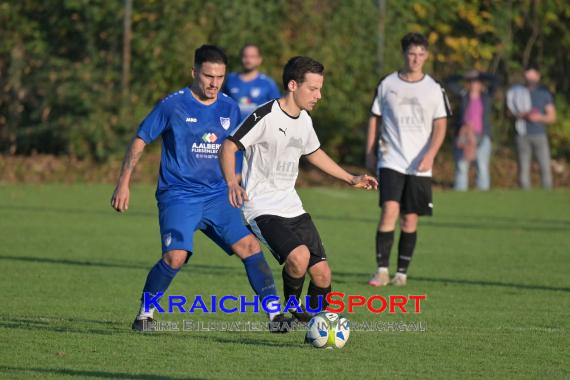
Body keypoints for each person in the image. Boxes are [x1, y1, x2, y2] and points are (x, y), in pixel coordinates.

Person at [111, 45, 291, 332]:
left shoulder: (229, 107)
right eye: (208, 76)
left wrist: (240, 180)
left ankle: (275, 318)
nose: (214, 83)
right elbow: (141, 139)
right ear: (194, 72)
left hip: (219, 195)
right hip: (179, 195)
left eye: (220, 77)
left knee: (250, 246)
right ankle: (145, 314)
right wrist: (123, 183)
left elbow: (237, 147)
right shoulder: (172, 105)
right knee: (175, 256)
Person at [219, 56, 377, 321]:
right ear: (293, 85)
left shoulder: (304, 119)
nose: (319, 95)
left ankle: (319, 324)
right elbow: (229, 145)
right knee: (300, 257)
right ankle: (294, 310)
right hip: (262, 206)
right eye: (313, 89)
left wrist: (350, 178)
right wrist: (232, 182)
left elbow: (314, 153)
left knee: (323, 273)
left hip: (291, 205)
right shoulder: (265, 115)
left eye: (320, 89)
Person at [365, 32, 451, 287]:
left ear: (426, 56)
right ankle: (381, 270)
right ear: (404, 54)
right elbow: (374, 117)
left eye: (421, 54)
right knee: (389, 210)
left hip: (419, 164)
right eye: (412, 54)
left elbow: (441, 124)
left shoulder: (434, 88)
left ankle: (401, 273)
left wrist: (431, 154)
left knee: (410, 218)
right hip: (391, 159)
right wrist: (370, 151)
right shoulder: (388, 83)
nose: (416, 59)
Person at [446, 70, 498, 191]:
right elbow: (449, 81)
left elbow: (496, 80)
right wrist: (464, 75)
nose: (474, 84)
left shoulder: (486, 96)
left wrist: (480, 74)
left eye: (477, 82)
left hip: (482, 135)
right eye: (471, 82)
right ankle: (460, 193)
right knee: (461, 166)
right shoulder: (463, 95)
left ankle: (483, 194)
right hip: (464, 135)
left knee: (482, 166)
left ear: (481, 84)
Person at [507, 65, 556, 189]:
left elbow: (552, 117)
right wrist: (520, 115)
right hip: (522, 134)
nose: (530, 78)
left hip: (539, 134)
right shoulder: (516, 92)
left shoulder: (544, 93)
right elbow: (508, 112)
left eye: (533, 75)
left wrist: (539, 117)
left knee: (545, 166)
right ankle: (525, 197)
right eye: (528, 75)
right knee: (523, 168)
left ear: (538, 76)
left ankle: (547, 193)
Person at [223, 44, 281, 122]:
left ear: (259, 60)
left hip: (258, 131)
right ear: (241, 58)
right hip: (233, 130)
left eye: (252, 57)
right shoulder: (229, 79)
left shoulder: (268, 83)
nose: (248, 60)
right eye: (245, 56)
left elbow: (277, 110)